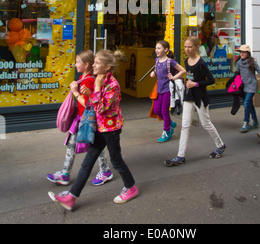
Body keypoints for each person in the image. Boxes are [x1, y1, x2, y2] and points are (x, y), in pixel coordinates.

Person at [48, 49, 138, 211]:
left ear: (107, 66)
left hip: (110, 130)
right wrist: (92, 91)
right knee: (87, 162)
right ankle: (71, 197)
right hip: (100, 128)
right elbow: (96, 102)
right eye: (94, 62)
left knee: (116, 160)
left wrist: (94, 88)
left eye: (97, 63)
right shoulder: (101, 80)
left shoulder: (113, 85)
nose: (94, 66)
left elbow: (101, 108)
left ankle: (131, 187)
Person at [46, 50, 113, 187]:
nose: (75, 65)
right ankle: (65, 173)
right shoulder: (84, 79)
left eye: (78, 62)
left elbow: (89, 103)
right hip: (82, 119)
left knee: (94, 146)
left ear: (86, 65)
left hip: (87, 120)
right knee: (76, 144)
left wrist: (75, 92)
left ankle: (104, 170)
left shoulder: (88, 81)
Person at [164, 36, 226, 166]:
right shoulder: (186, 61)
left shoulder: (202, 63)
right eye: (185, 46)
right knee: (185, 125)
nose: (187, 49)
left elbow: (211, 80)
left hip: (200, 97)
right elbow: (190, 77)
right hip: (189, 95)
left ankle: (220, 145)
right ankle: (180, 156)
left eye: (190, 47)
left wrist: (196, 84)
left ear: (197, 47)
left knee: (205, 123)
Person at [150, 40, 186, 143]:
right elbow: (157, 71)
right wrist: (153, 73)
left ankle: (167, 131)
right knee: (157, 110)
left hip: (168, 89)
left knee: (164, 110)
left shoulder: (170, 61)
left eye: (159, 48)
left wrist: (174, 77)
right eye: (156, 48)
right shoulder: (157, 60)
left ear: (166, 50)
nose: (156, 50)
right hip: (159, 89)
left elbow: (183, 70)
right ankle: (170, 122)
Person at [236, 44, 260, 133]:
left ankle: (246, 122)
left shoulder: (252, 62)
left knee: (246, 103)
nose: (242, 53)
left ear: (248, 53)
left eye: (244, 52)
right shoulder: (238, 63)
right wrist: (236, 85)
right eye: (241, 52)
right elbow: (237, 74)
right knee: (249, 104)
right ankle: (255, 121)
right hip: (244, 86)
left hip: (252, 85)